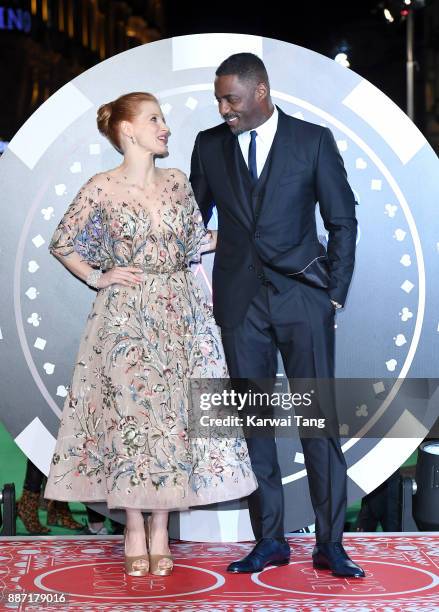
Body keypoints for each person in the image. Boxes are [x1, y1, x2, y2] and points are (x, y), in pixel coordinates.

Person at [44, 92, 257, 577]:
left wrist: (252, 229)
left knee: (173, 422)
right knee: (131, 421)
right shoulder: (102, 187)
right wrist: (99, 276)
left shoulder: (178, 182)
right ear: (127, 130)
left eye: (163, 118)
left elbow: (196, 242)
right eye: (154, 119)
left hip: (179, 314)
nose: (165, 127)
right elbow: (63, 243)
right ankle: (133, 529)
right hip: (125, 319)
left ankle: (160, 529)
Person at [190, 53, 365, 578]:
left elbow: (342, 220)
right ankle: (270, 540)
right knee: (255, 427)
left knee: (319, 425)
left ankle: (330, 544)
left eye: (232, 99)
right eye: (219, 100)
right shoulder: (209, 145)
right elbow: (192, 221)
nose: (224, 109)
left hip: (303, 300)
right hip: (241, 306)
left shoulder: (312, 141)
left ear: (260, 91)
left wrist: (333, 293)